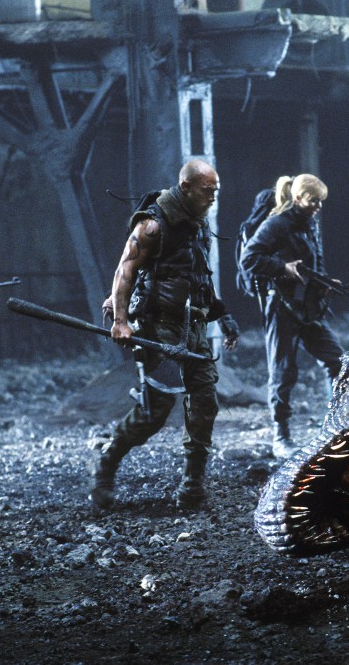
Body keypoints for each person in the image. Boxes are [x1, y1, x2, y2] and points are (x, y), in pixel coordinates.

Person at [92, 159, 239, 510]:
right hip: (160, 327)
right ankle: (106, 464)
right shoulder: (153, 224)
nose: (212, 198)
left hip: (194, 327)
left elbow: (197, 276)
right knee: (154, 411)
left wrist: (222, 315)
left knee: (204, 403)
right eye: (207, 191)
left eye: (216, 192)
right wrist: (121, 321)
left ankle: (192, 486)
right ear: (186, 188)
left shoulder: (197, 221)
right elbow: (125, 270)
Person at [239, 174, 343, 460]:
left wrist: (324, 282)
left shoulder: (310, 224)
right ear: (297, 198)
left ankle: (337, 425)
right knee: (283, 372)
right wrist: (282, 268)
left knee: (336, 359)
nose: (318, 207)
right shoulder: (276, 224)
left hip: (308, 306)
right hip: (280, 307)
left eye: (320, 202)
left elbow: (316, 262)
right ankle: (280, 436)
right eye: (313, 201)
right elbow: (249, 259)